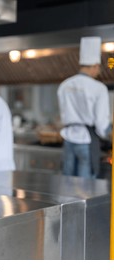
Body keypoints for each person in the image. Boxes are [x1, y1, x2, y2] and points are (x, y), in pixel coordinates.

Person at [57, 36, 111, 178]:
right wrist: (106, 132)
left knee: (67, 184)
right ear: (94, 65)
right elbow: (101, 123)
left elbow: (62, 114)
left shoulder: (65, 85)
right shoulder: (99, 88)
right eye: (98, 68)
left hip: (68, 139)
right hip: (87, 141)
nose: (98, 72)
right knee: (86, 187)